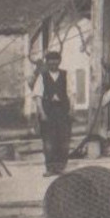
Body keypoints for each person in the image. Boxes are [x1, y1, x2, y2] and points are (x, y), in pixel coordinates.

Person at [32, 49, 72, 177]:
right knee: (49, 141)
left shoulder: (66, 75)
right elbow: (37, 96)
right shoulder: (42, 76)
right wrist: (42, 113)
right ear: (47, 63)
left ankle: (61, 167)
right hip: (48, 110)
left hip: (62, 110)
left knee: (63, 140)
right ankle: (50, 168)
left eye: (56, 62)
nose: (53, 65)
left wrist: (71, 110)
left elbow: (72, 93)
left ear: (59, 62)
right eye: (51, 63)